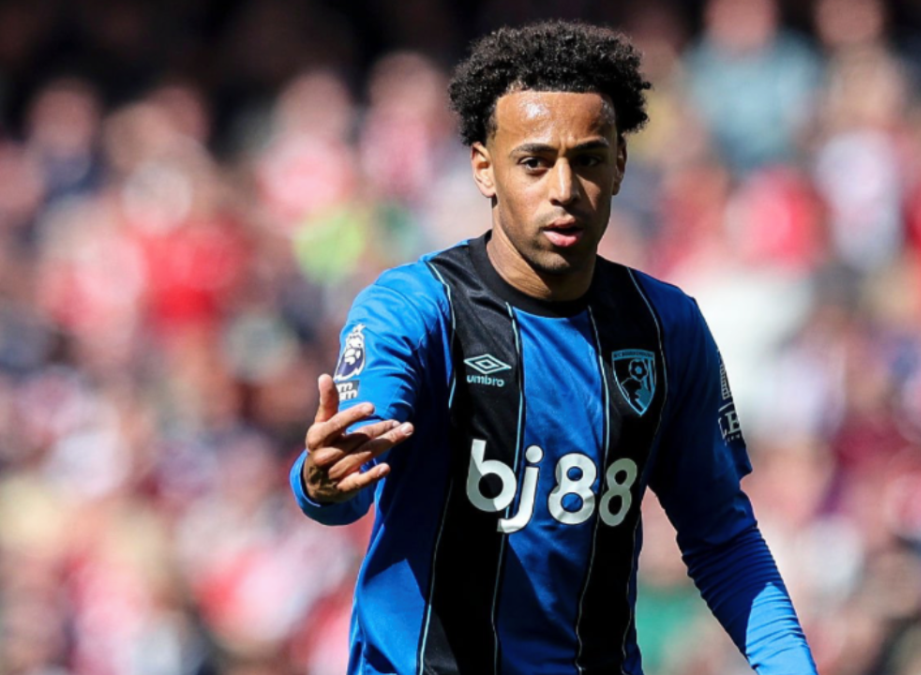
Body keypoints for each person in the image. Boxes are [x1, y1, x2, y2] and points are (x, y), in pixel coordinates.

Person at [290, 20, 819, 675]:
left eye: (588, 159)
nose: (564, 190)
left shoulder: (667, 328)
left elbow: (724, 538)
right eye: (534, 162)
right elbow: (349, 475)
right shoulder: (414, 309)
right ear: (484, 168)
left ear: (620, 164)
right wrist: (321, 482)